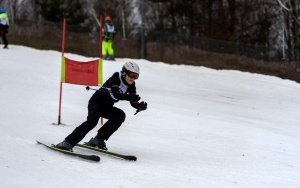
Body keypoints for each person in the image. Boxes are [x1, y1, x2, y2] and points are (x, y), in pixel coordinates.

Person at [56, 61, 148, 151]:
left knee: (120, 115)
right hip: (96, 103)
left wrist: (139, 106)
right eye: (132, 75)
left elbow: (132, 100)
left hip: (107, 106)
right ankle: (67, 142)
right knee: (92, 122)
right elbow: (116, 94)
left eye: (136, 76)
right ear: (124, 72)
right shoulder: (116, 77)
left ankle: (98, 139)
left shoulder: (131, 85)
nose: (133, 78)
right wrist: (129, 97)